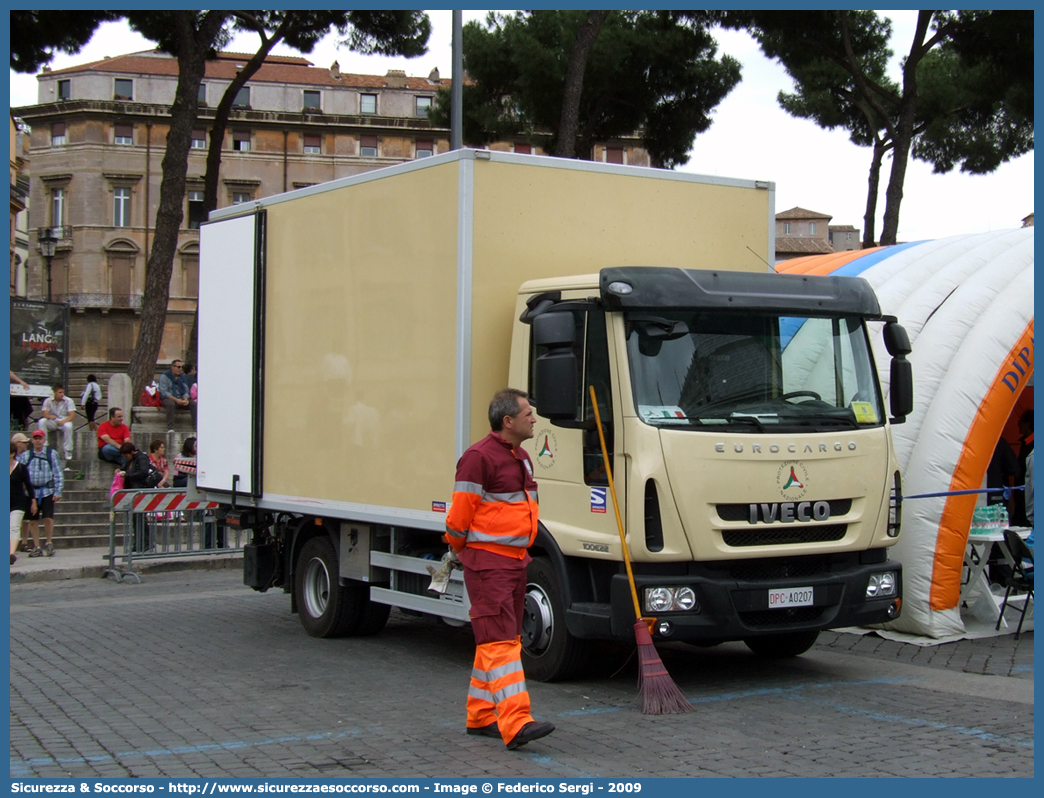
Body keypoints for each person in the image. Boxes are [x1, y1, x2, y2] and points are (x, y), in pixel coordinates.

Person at [444, 388, 554, 751]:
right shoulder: (478, 458)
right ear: (508, 421)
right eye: (528, 414)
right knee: (500, 642)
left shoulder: (521, 456)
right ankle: (516, 722)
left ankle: (481, 715)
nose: (534, 419)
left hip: (513, 562)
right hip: (489, 565)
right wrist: (465, 552)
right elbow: (458, 519)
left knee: (496, 639)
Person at [18, 429, 63, 557]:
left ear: (44, 440)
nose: (38, 441)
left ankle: (49, 542)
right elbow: (21, 473)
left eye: (40, 438)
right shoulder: (26, 456)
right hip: (31, 492)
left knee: (48, 518)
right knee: (33, 520)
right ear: (32, 441)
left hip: (47, 491)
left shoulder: (51, 454)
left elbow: (58, 472)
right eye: (35, 438)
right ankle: (36, 545)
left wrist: (58, 490)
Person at [117, 442, 155, 551]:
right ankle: (140, 542)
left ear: (132, 452)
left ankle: (146, 542)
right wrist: (120, 470)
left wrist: (127, 475)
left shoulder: (141, 459)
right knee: (136, 519)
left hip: (140, 490)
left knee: (140, 518)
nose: (125, 458)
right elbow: (125, 467)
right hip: (133, 491)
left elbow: (143, 473)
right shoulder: (130, 460)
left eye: (126, 456)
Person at [10, 441, 36, 565]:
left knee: (14, 527)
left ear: (12, 454)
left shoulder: (21, 467)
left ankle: (11, 554)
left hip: (18, 502)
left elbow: (29, 485)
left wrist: (33, 501)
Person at [37, 383, 76, 462]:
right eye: (60, 392)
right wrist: (49, 416)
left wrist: (63, 421)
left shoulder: (68, 401)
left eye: (63, 392)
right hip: (53, 422)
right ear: (55, 392)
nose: (62, 394)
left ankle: (68, 451)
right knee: (42, 421)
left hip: (64, 421)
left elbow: (71, 416)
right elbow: (45, 414)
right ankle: (44, 445)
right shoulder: (48, 401)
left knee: (69, 426)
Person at [158, 359, 196, 432]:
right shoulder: (164, 376)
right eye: (178, 367)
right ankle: (170, 427)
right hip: (169, 397)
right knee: (170, 404)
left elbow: (186, 390)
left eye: (182, 367)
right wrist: (176, 400)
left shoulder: (182, 377)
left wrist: (185, 399)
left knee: (194, 404)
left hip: (181, 397)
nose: (180, 369)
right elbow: (164, 392)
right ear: (173, 367)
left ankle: (195, 427)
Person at [1012, 410, 1034, 526]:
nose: (1018, 424)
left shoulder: (1033, 445)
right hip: (1022, 496)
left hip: (1028, 497)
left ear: (1028, 424)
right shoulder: (1026, 442)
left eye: (1021, 421)